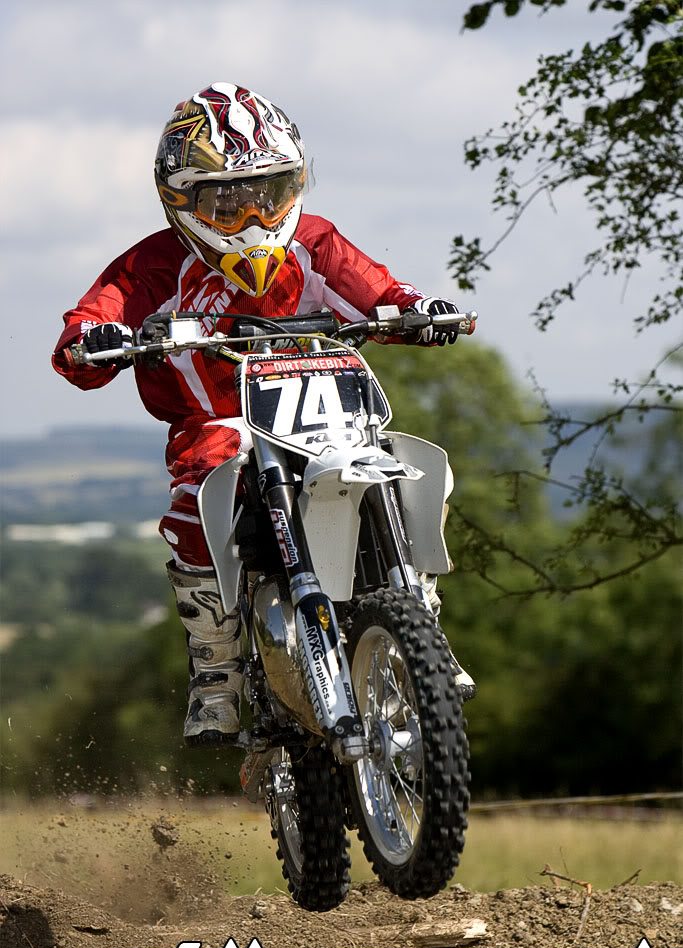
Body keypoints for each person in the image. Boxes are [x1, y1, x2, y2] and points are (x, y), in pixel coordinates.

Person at [53, 82, 474, 747]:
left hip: (327, 409)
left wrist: (415, 311)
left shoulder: (313, 241)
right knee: (197, 491)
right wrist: (95, 339)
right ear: (182, 199)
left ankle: (418, 617)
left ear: (294, 183)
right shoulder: (153, 265)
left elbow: (376, 290)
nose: (251, 213)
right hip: (219, 423)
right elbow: (88, 327)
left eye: (268, 191)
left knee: (402, 461)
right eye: (225, 200)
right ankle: (216, 669)